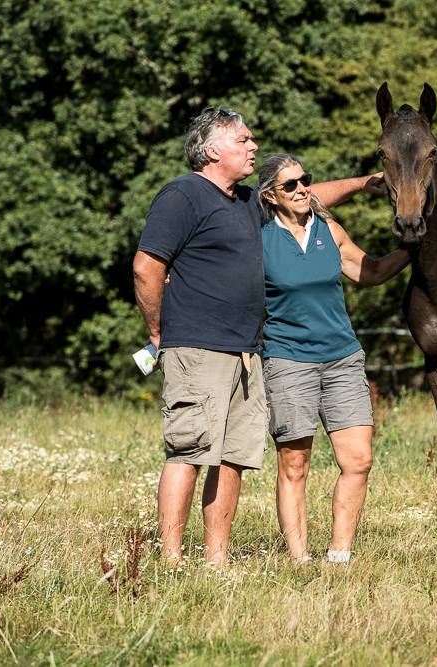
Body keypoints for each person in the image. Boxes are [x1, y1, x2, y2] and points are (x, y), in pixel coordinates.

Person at [133, 109, 383, 567]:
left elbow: (306, 196)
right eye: (243, 140)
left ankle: (217, 559)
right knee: (188, 451)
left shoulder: (246, 201)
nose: (253, 146)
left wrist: (364, 182)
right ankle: (169, 561)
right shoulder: (183, 195)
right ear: (213, 151)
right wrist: (157, 331)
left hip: (245, 349)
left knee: (232, 457)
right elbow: (146, 266)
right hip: (196, 344)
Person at [257, 152, 410, 564]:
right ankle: (299, 559)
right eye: (290, 185)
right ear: (270, 196)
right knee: (295, 465)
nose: (302, 188)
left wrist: (416, 251)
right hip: (289, 361)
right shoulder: (258, 239)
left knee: (358, 460)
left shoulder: (329, 229)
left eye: (304, 179)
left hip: (343, 359)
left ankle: (339, 556)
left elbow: (372, 272)